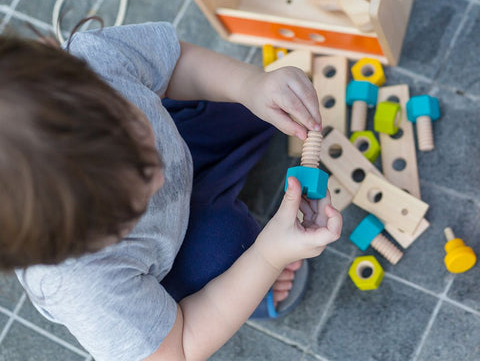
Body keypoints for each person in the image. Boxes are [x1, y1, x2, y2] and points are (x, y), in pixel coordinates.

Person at [0, 21, 342, 361]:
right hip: (163, 262)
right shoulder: (87, 288)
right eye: (126, 207)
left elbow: (176, 63)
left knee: (256, 105)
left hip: (187, 147)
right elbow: (179, 347)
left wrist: (251, 85)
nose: (158, 179)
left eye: (138, 133)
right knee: (234, 247)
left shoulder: (94, 61)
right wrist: (268, 256)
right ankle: (254, 285)